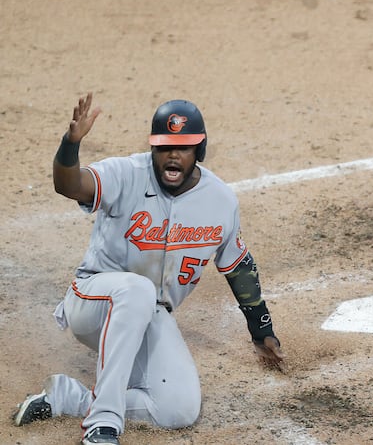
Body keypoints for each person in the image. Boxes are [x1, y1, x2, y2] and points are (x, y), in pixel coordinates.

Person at [13, 93, 285, 445]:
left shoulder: (220, 201)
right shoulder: (126, 174)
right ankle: (104, 422)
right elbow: (68, 184)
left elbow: (239, 267)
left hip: (151, 316)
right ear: (153, 149)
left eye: (184, 147)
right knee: (137, 289)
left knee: (178, 409)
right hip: (94, 301)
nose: (173, 155)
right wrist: (71, 143)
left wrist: (261, 329)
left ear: (198, 151)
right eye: (164, 146)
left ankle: (70, 398)